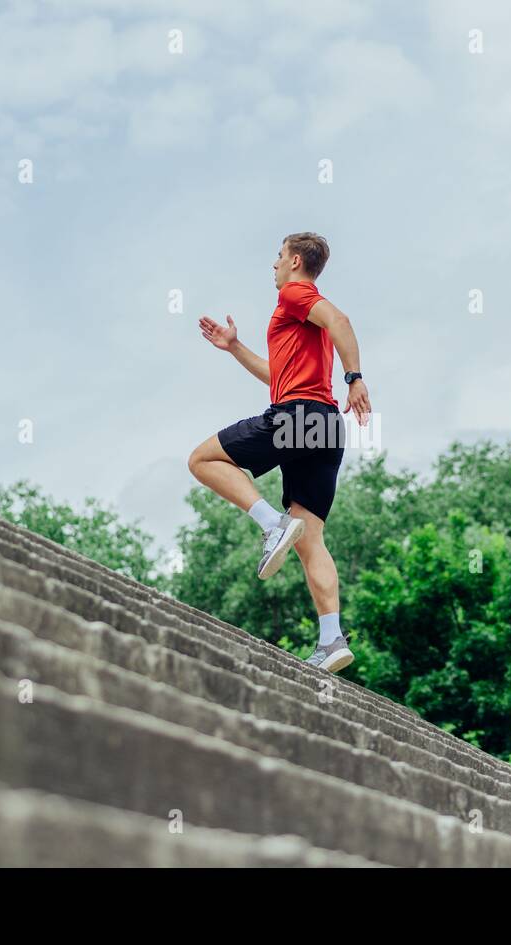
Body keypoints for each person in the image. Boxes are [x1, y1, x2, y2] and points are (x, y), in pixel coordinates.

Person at [188, 232, 371, 673]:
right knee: (311, 540)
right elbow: (278, 375)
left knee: (202, 460)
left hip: (297, 416)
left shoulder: (294, 293)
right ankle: (331, 639)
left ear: (293, 260)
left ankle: (272, 525)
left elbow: (341, 321)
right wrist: (234, 347)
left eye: (276, 257)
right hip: (326, 426)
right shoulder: (300, 320)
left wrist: (355, 378)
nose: (272, 266)